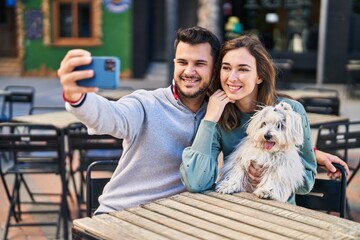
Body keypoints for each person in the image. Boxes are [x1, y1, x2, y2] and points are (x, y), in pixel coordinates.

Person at [58, 27, 348, 213]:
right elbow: (112, 117)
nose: (189, 71)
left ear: (259, 75)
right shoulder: (208, 112)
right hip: (137, 213)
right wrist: (77, 98)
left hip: (255, 214)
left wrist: (303, 153)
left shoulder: (281, 112)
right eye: (182, 62)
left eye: (200, 63)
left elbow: (303, 174)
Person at [180, 34, 349, 204]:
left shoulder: (292, 111)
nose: (232, 77)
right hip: (234, 209)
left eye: (243, 69)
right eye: (226, 68)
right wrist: (209, 120)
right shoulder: (218, 115)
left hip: (277, 212)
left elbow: (306, 184)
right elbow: (196, 182)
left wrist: (272, 171)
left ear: (259, 76)